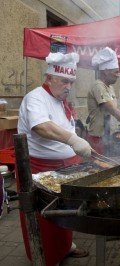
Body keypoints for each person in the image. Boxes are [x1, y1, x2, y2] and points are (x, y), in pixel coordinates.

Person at [17, 52, 91, 265]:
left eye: (72, 82)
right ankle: (47, 258)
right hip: (40, 170)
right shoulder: (36, 97)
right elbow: (40, 126)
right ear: (49, 78)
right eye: (64, 81)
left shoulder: (60, 100)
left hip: (66, 168)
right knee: (45, 219)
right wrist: (73, 140)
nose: (68, 86)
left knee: (66, 214)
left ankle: (65, 248)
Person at [87, 47, 120, 154]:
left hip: (109, 136)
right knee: (99, 166)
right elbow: (111, 109)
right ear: (106, 71)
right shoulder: (98, 86)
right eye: (116, 72)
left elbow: (115, 111)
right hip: (98, 137)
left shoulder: (110, 88)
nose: (118, 75)